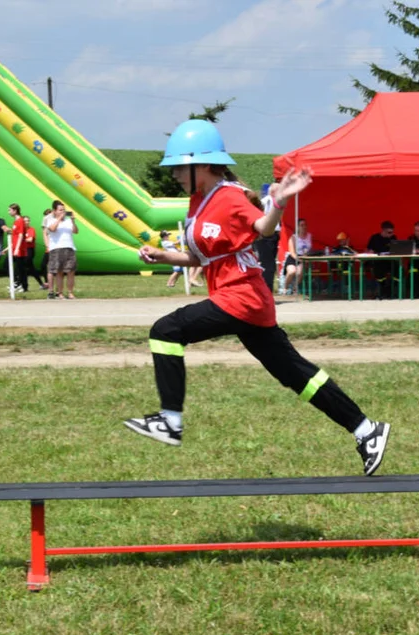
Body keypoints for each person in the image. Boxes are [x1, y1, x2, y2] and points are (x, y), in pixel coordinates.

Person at [123, 119, 390, 476]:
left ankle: (170, 419)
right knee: (296, 375)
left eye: (177, 168)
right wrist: (163, 256)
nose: (172, 174)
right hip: (242, 299)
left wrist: (278, 202)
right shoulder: (197, 202)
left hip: (242, 296)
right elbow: (202, 258)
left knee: (166, 331)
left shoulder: (231, 196)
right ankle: (365, 429)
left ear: (201, 165)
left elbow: (265, 228)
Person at [45, 200, 78, 299]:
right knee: (59, 272)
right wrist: (59, 218)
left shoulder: (68, 221)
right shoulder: (50, 220)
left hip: (69, 247)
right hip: (57, 248)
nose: (63, 212)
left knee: (71, 271)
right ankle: (60, 293)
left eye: (64, 210)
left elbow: (75, 231)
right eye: (60, 210)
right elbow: (52, 229)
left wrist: (73, 221)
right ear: (54, 211)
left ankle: (70, 292)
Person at [255, 183, 281, 293]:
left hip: (274, 235)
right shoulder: (265, 202)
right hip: (265, 237)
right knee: (268, 265)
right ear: (274, 191)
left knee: (271, 265)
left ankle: (267, 291)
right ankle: (266, 291)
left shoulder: (276, 203)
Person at [283, 217, 313, 295]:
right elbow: (292, 252)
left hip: (304, 258)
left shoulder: (309, 236)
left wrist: (306, 258)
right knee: (292, 271)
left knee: (300, 272)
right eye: (302, 225)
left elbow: (310, 249)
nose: (304, 227)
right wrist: (299, 259)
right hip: (293, 257)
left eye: (305, 225)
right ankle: (285, 288)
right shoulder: (293, 237)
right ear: (298, 227)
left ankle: (294, 288)